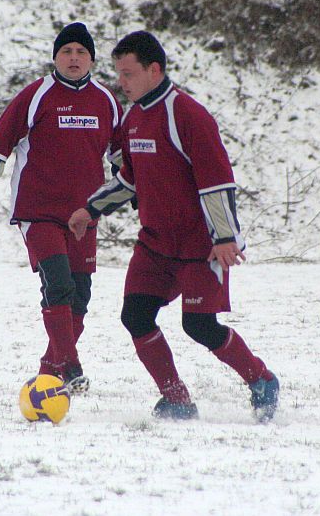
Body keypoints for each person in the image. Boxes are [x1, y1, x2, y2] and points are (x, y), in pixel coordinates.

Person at [68, 31, 279, 422]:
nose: (122, 83)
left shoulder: (188, 115)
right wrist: (91, 209)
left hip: (201, 244)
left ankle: (261, 378)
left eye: (128, 74)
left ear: (154, 70)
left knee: (199, 326)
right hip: (155, 243)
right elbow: (130, 180)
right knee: (135, 316)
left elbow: (216, 181)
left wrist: (225, 237)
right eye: (118, 74)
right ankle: (177, 399)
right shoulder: (133, 119)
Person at [0, 22, 121, 393]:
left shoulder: (106, 101)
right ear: (55, 57)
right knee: (59, 284)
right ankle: (71, 366)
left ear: (92, 60)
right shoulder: (36, 96)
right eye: (66, 51)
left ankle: (49, 370)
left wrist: (134, 183)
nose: (73, 58)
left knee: (80, 295)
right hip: (39, 210)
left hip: (84, 216)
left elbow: (119, 152)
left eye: (81, 52)